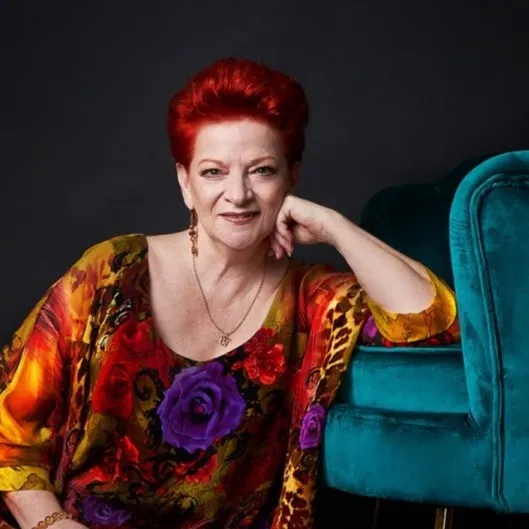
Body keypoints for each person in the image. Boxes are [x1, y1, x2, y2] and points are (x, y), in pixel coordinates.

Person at [0, 57, 460, 529]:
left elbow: (436, 325)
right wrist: (53, 525)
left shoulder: (314, 300)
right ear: (185, 183)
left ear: (292, 178)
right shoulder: (111, 272)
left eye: (262, 171)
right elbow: (8, 436)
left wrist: (335, 227)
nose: (238, 195)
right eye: (213, 172)